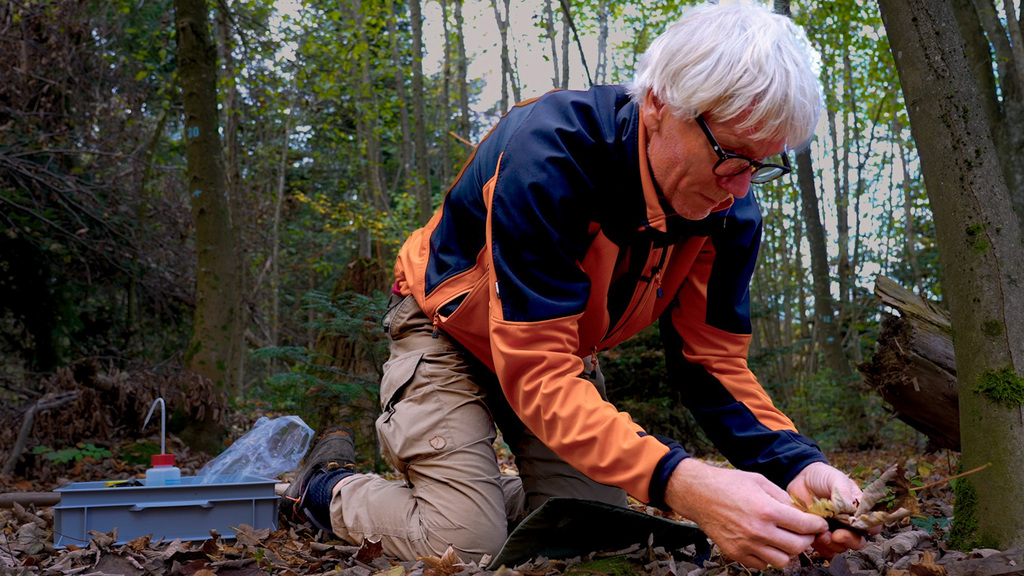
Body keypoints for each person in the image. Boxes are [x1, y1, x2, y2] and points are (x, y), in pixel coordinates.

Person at [282, 2, 871, 569]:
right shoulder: (551, 157)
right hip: (445, 333)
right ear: (661, 105)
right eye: (733, 157)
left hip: (555, 350)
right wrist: (683, 483)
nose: (741, 189)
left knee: (593, 525)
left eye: (764, 165)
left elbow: (710, 363)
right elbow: (538, 374)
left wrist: (794, 467)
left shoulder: (729, 213)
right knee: (463, 546)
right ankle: (321, 489)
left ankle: (475, 500)